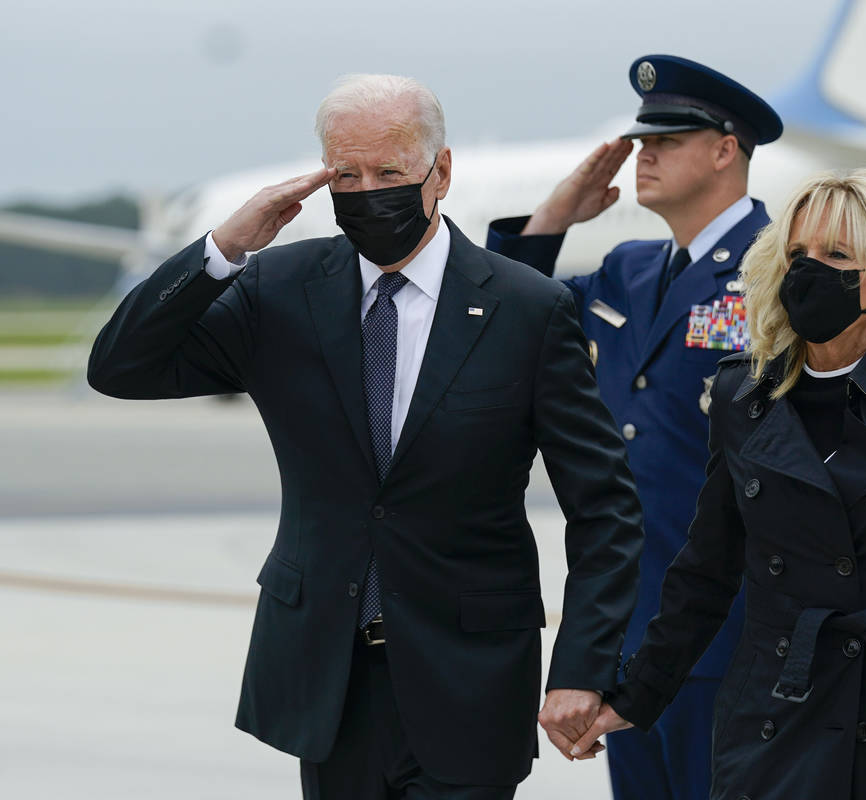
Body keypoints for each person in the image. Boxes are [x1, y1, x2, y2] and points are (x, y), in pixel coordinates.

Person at [87, 74, 643, 800]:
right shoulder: (279, 290)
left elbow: (604, 508)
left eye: (388, 172)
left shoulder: (525, 308)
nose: (366, 190)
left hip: (469, 679)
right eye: (345, 174)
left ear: (440, 172)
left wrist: (581, 666)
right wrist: (224, 248)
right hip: (328, 679)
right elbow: (120, 367)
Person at [574, 168, 866, 800]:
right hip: (780, 712)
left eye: (835, 255)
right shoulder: (743, 393)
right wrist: (637, 695)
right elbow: (707, 571)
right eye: (796, 255)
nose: (808, 271)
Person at [486, 54, 782, 800]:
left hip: (737, 632)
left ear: (725, 149)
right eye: (642, 140)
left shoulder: (780, 271)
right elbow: (500, 318)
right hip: (634, 628)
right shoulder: (628, 269)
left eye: (668, 140)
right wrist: (555, 214)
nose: (644, 155)